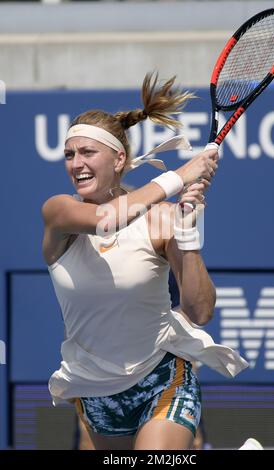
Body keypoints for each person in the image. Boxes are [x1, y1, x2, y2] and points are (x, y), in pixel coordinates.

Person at [42, 72, 247, 450]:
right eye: (70, 154)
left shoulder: (160, 220)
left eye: (88, 153)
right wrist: (179, 176)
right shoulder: (59, 212)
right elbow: (106, 221)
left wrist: (185, 231)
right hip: (94, 390)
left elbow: (199, 312)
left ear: (119, 159)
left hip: (163, 376)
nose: (76, 164)